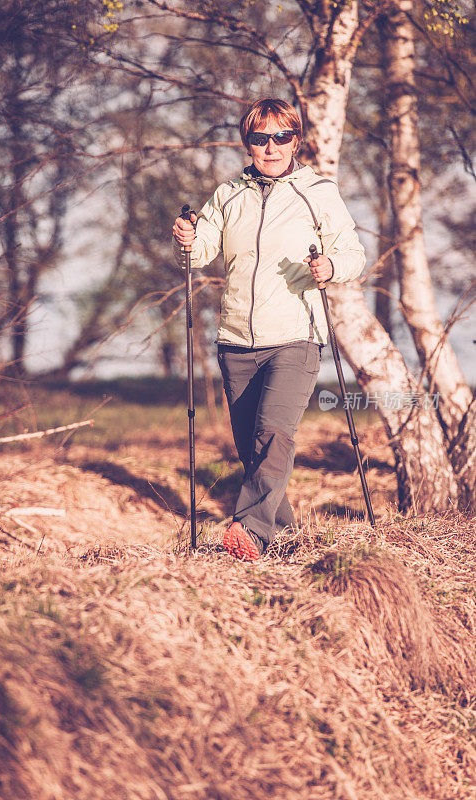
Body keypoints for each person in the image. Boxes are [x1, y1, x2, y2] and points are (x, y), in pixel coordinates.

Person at [172, 98, 365, 561]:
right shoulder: (227, 194)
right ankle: (286, 546)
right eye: (260, 138)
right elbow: (201, 254)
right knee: (252, 450)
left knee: (274, 434)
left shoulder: (317, 191)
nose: (271, 147)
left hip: (296, 336)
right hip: (236, 340)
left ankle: (250, 530)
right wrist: (187, 239)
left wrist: (330, 265)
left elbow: (354, 255)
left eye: (281, 136)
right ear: (248, 144)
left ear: (295, 140)